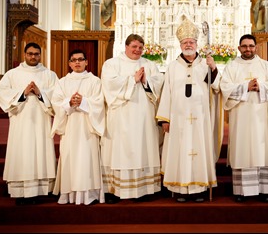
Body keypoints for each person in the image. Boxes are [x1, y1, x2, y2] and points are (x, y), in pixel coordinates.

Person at [156, 16, 221, 203]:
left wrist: (214, 68)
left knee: (200, 150)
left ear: (197, 43)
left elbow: (216, 88)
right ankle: (179, 189)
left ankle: (199, 189)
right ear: (180, 44)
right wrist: (164, 120)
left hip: (201, 118)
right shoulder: (173, 67)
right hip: (178, 119)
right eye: (185, 42)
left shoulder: (206, 64)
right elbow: (166, 93)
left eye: (191, 41)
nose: (188, 44)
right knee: (179, 151)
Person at [101, 34, 164, 203]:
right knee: (120, 150)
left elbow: (159, 84)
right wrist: (132, 80)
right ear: (126, 47)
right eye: (134, 47)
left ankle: (144, 188)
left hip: (143, 117)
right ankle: (115, 190)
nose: (137, 50)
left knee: (143, 147)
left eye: (140, 48)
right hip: (121, 116)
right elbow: (109, 85)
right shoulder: (112, 64)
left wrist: (145, 81)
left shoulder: (149, 65)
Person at [219, 34, 268, 203]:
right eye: (245, 46)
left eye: (251, 46)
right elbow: (224, 87)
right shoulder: (232, 67)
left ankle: (265, 189)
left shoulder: (265, 66)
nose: (248, 49)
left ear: (256, 47)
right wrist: (245, 87)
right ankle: (242, 190)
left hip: (262, 115)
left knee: (263, 149)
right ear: (239, 48)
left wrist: (260, 86)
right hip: (241, 116)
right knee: (243, 148)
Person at [0, 42, 59, 205]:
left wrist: (40, 93)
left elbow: (57, 95)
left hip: (41, 121)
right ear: (24, 54)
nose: (33, 57)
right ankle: (21, 191)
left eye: (36, 54)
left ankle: (41, 190)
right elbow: (1, 92)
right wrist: (23, 93)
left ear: (40, 55)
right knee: (22, 151)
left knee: (40, 150)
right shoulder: (12, 74)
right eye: (30, 53)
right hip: (21, 121)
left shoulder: (49, 74)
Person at [51, 49, 106, 205]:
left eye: (80, 59)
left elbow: (99, 103)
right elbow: (56, 102)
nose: (77, 62)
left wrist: (83, 102)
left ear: (86, 62)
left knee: (87, 157)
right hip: (70, 127)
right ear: (69, 63)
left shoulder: (95, 81)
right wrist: (69, 102)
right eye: (74, 60)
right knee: (70, 157)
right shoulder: (62, 82)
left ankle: (89, 194)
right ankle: (68, 194)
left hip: (88, 127)